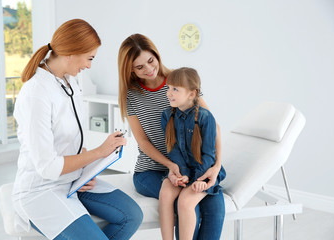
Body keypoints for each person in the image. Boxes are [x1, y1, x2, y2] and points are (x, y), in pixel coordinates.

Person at [12, 19, 142, 240]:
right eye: (89, 58)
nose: (90, 66)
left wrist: (88, 170)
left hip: (73, 181)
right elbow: (48, 167)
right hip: (41, 190)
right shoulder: (36, 93)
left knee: (131, 215)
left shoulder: (71, 81)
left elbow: (72, 141)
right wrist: (100, 151)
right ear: (71, 52)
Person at [118, 33, 225, 239]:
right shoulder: (131, 95)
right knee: (184, 203)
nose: (149, 69)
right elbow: (142, 141)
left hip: (192, 165)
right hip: (151, 170)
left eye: (151, 61)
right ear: (130, 69)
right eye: (140, 67)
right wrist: (170, 166)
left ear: (156, 55)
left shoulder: (179, 80)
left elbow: (213, 127)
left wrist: (216, 166)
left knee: (215, 205)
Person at [159, 67, 226, 240]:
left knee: (185, 202)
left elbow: (209, 155)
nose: (169, 93)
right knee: (166, 193)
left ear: (191, 94)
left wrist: (198, 180)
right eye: (168, 88)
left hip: (204, 172)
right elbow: (172, 150)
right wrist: (182, 174)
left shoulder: (205, 117)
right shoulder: (167, 116)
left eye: (175, 89)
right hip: (182, 170)